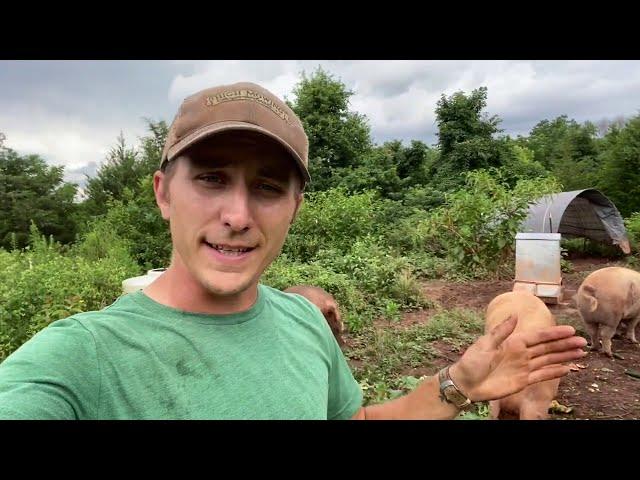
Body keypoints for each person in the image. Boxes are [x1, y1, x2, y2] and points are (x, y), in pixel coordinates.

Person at [0, 82, 587, 419]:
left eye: (268, 187)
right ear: (163, 193)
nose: (237, 214)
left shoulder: (304, 319)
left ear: (295, 208)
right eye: (210, 178)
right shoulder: (78, 360)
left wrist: (455, 384)